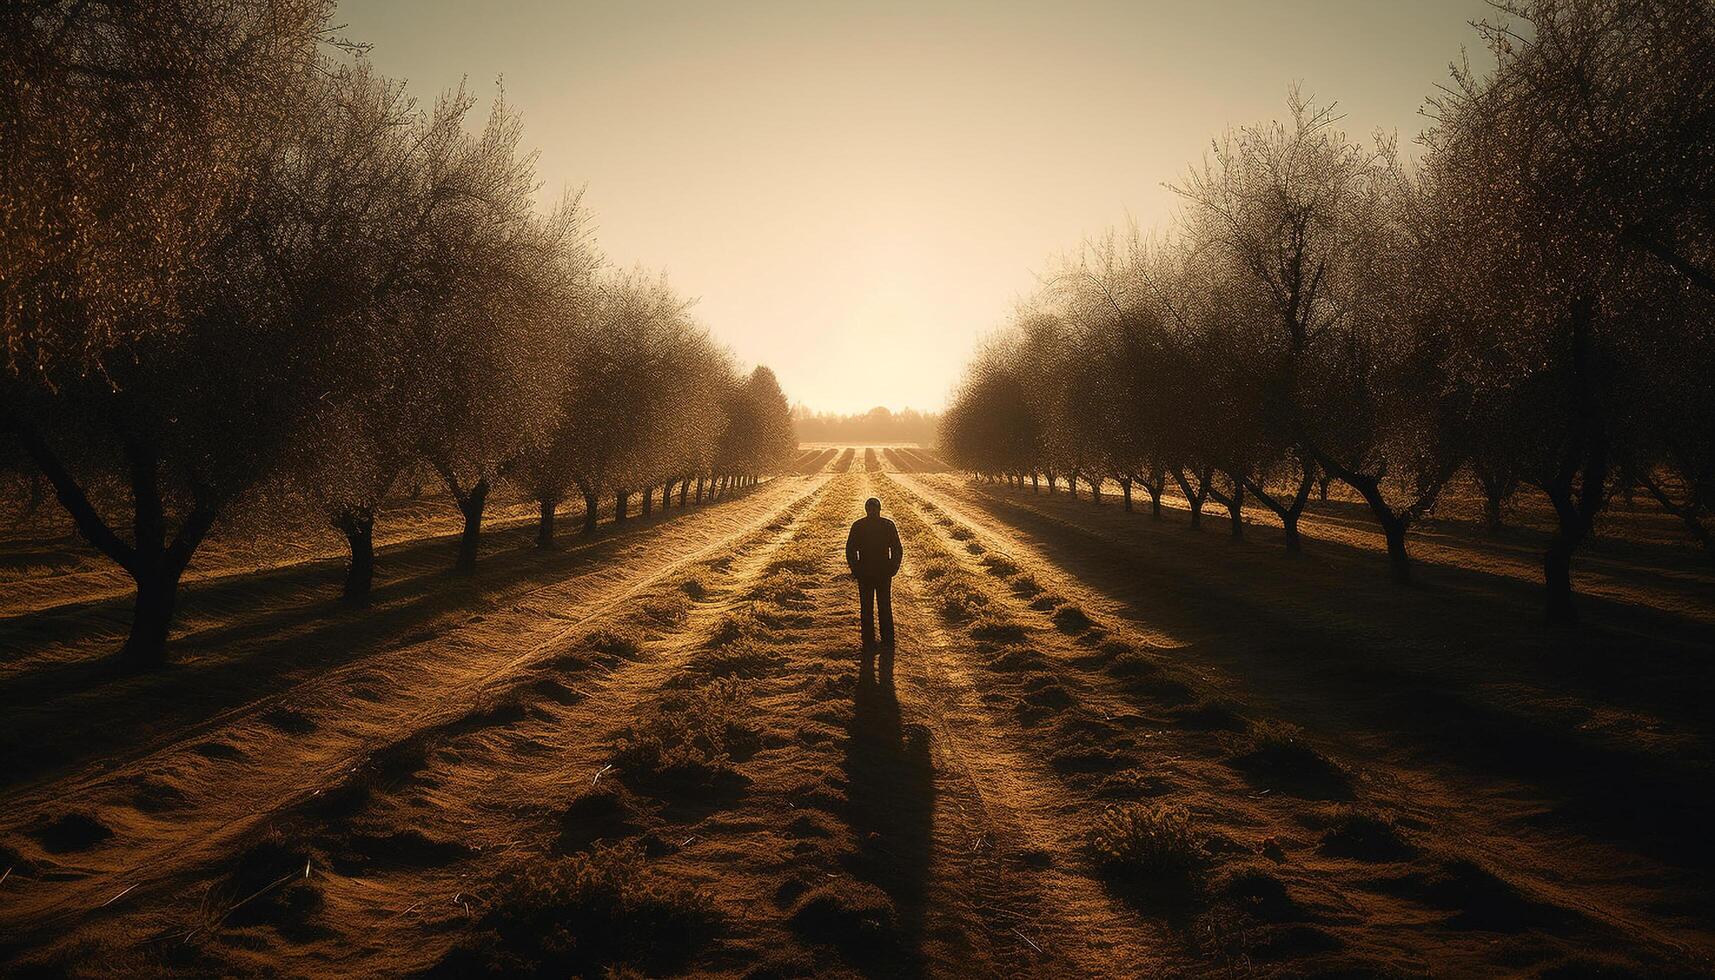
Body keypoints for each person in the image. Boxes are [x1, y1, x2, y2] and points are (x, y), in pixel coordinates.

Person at [845, 496, 903, 654]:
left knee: (867, 607)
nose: (872, 511)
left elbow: (850, 550)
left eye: (872, 509)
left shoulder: (858, 526)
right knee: (883, 606)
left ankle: (869, 640)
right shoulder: (887, 525)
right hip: (882, 572)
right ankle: (887, 640)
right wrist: (893, 567)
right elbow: (897, 549)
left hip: (867, 572)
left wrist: (856, 569)